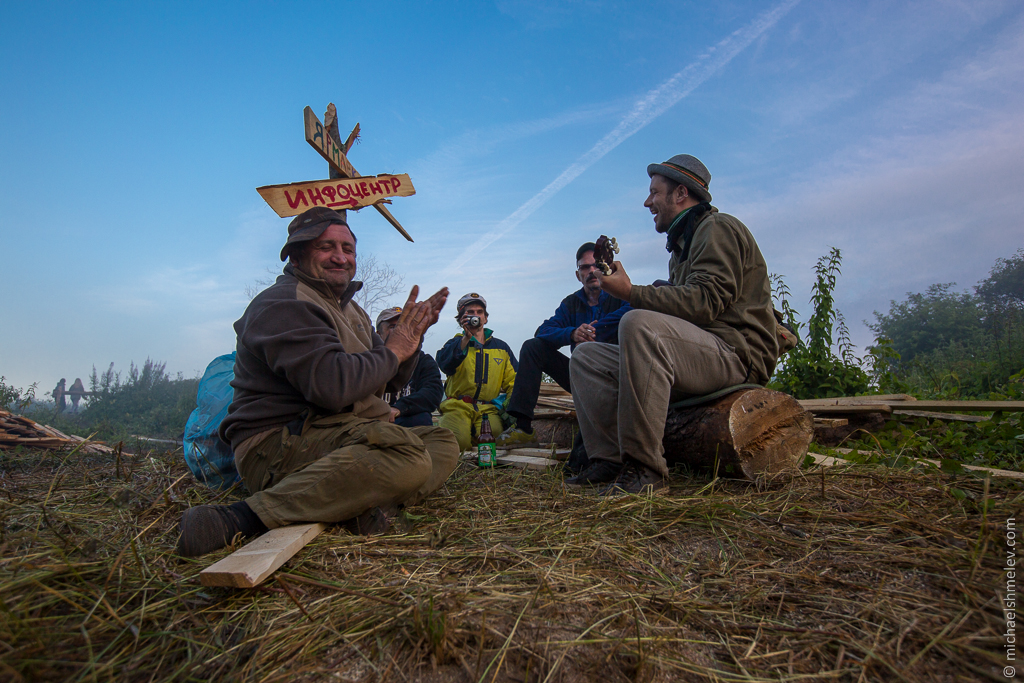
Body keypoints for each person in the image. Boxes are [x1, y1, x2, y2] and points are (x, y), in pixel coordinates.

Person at [176, 206, 459, 557]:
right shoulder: (284, 303)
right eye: (326, 247)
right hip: (279, 443)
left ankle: (358, 506)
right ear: (297, 254)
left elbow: (381, 381)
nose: (340, 257)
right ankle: (240, 519)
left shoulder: (352, 312)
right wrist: (394, 350)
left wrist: (409, 343)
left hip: (332, 431)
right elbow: (332, 387)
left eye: (348, 249)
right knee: (409, 456)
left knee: (442, 440)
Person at [567, 154, 779, 495]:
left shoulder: (718, 228)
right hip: (696, 355)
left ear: (680, 194)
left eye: (655, 192)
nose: (648, 201)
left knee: (638, 324)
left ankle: (645, 472)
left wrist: (632, 293)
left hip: (735, 353)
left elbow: (706, 303)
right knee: (587, 358)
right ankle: (608, 461)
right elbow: (683, 311)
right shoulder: (682, 247)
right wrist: (642, 291)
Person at [495, 243, 631, 449]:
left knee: (578, 460)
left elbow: (635, 310)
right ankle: (523, 428)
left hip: (616, 376)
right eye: (585, 267)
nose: (591, 271)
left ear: (606, 267)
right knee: (533, 347)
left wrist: (597, 330)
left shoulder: (620, 295)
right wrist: (572, 333)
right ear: (578, 275)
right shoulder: (571, 303)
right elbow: (543, 330)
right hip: (580, 375)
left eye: (596, 265)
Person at [436, 294, 518, 452]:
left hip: (487, 409)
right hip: (457, 406)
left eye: (479, 312)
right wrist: (466, 339)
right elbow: (445, 364)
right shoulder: (455, 344)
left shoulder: (501, 348)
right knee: (456, 441)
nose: (476, 316)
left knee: (495, 439)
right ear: (461, 319)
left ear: (486, 318)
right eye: (470, 312)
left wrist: (512, 405)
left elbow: (515, 381)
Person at [375, 306, 444, 428]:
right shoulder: (368, 361)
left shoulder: (424, 361)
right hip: (373, 423)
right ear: (378, 334)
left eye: (404, 327)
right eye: (392, 327)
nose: (399, 331)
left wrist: (399, 408)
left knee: (422, 419)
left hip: (408, 420)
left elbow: (433, 392)